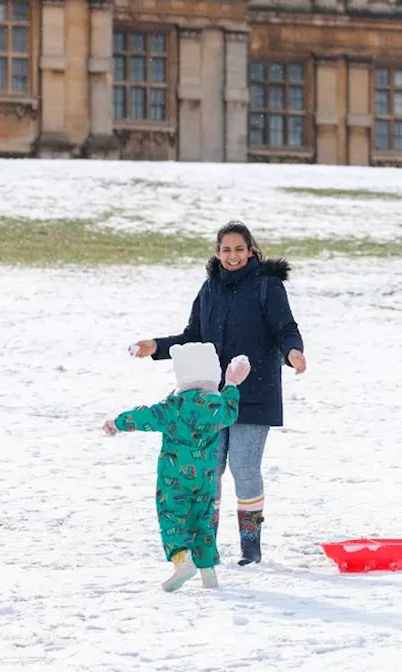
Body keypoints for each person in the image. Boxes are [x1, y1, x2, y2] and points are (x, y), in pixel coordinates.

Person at [130, 221, 307, 566]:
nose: (233, 255)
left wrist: (293, 353)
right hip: (210, 399)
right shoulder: (210, 288)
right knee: (208, 469)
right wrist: (156, 346)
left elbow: (285, 328)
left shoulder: (268, 287)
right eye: (226, 249)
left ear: (252, 250)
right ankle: (204, 543)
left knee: (244, 467)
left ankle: (250, 548)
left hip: (255, 394)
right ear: (217, 253)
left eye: (239, 249)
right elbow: (192, 336)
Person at [103, 342, 251, 592]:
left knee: (172, 516)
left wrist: (116, 423)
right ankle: (208, 573)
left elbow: (144, 416)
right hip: (206, 478)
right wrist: (233, 384)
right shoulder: (218, 409)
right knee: (201, 521)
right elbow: (231, 411)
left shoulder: (173, 407)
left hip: (175, 478)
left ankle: (182, 560)